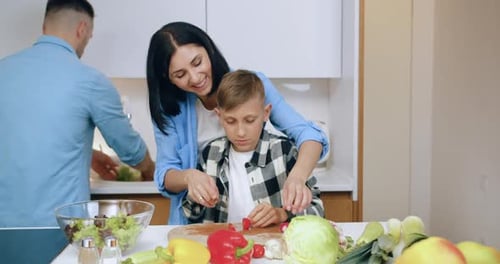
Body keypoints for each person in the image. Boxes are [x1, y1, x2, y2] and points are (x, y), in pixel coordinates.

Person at [147, 21, 329, 224]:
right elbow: (165, 174)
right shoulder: (170, 109)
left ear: (208, 51)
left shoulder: (251, 86)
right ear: (168, 78)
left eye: (197, 62)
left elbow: (309, 135)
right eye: (180, 74)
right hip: (197, 225)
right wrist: (189, 177)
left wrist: (297, 178)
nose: (195, 77)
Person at [0, 0, 154, 227]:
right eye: (89, 37)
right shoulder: (89, 81)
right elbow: (130, 150)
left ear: (44, 27)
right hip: (57, 227)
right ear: (82, 29)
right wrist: (151, 170)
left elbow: (21, 135)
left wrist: (88, 154)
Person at [182, 70, 324, 226]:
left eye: (249, 120)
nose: (241, 132)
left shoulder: (284, 151)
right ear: (219, 116)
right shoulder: (210, 155)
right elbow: (191, 216)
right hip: (223, 247)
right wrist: (195, 197)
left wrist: (282, 214)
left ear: (266, 113)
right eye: (230, 121)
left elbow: (317, 210)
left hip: (272, 248)